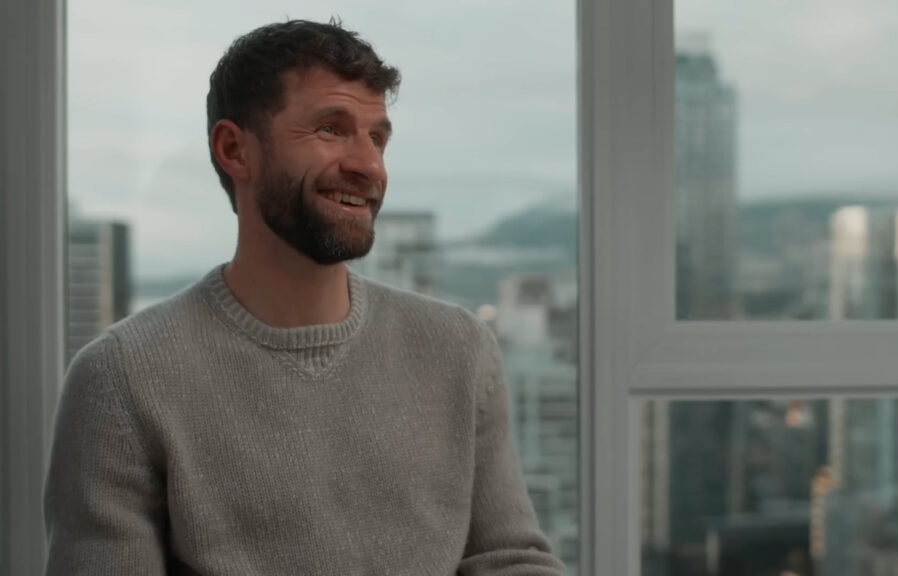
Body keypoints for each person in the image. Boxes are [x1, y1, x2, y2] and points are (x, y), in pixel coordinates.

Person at [44, 19, 565, 575]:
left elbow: (510, 559)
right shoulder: (123, 378)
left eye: (377, 138)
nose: (369, 165)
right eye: (331, 129)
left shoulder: (458, 348)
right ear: (234, 150)